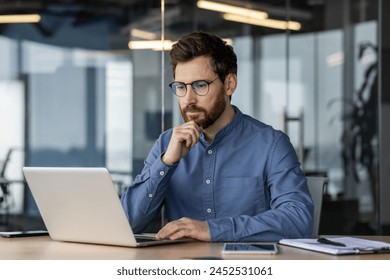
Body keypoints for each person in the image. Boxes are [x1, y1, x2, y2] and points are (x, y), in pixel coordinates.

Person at [121, 31, 314, 242]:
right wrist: (166, 163)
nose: (189, 99)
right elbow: (126, 222)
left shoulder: (271, 144)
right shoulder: (166, 145)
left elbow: (298, 219)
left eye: (200, 85)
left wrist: (213, 229)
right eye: (181, 87)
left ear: (229, 84)